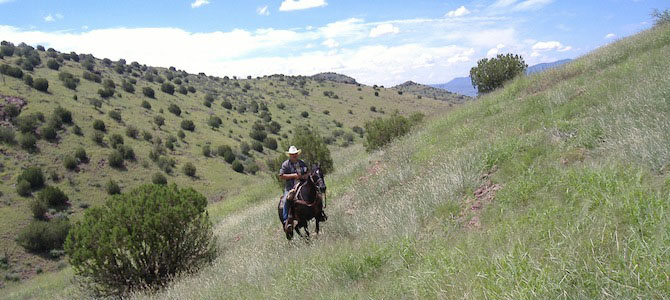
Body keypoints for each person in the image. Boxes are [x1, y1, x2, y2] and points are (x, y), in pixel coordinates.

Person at [279, 145, 308, 230]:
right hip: (291, 187)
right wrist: (294, 176)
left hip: (303, 185)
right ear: (289, 155)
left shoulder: (302, 163)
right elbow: (281, 175)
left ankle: (319, 213)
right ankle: (286, 220)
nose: (294, 155)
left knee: (315, 193)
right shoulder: (285, 164)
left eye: (295, 154)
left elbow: (307, 172)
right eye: (292, 154)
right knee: (286, 200)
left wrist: (303, 176)